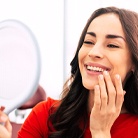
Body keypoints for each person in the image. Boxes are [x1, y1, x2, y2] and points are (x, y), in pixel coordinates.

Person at [1, 6, 138, 138]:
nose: (93, 52)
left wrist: (101, 133)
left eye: (112, 45)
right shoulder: (45, 115)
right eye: (89, 42)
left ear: (133, 62)